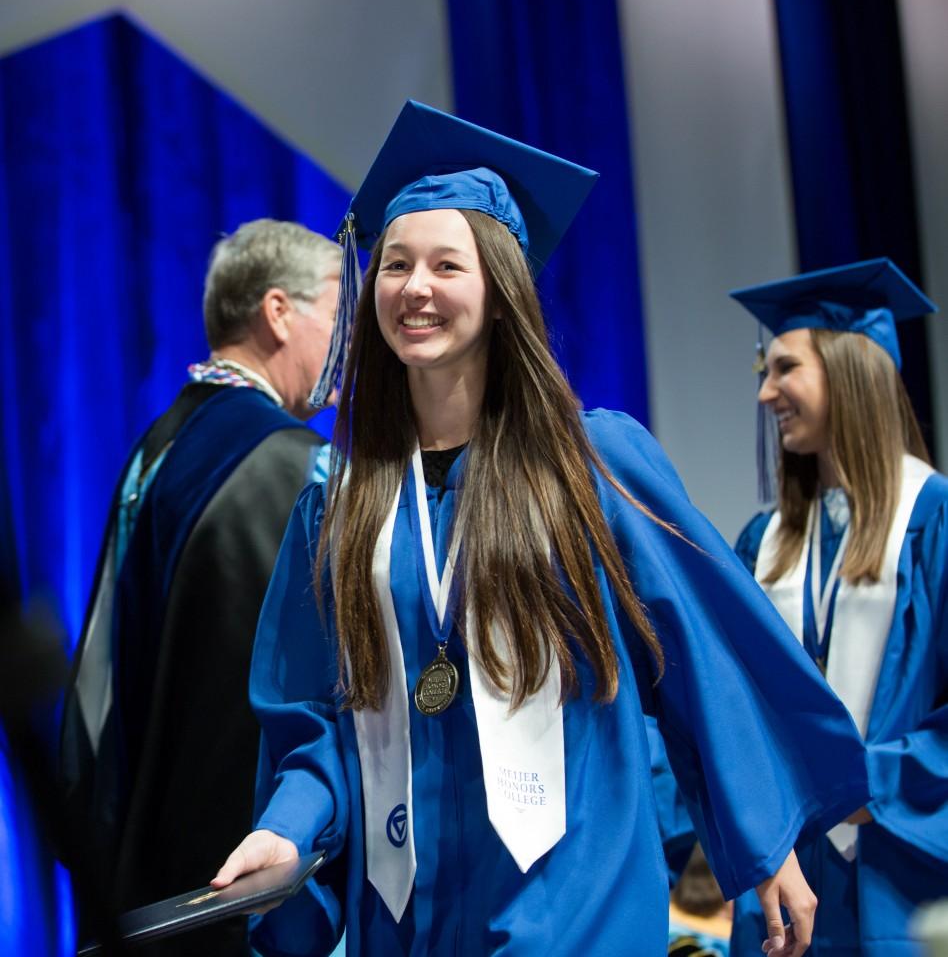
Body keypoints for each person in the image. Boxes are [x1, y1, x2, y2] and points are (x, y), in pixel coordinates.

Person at [213, 102, 870, 957]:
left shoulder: (592, 465)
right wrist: (287, 834)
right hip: (410, 921)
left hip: (572, 908)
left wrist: (764, 837)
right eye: (396, 263)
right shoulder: (340, 504)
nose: (415, 287)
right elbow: (320, 721)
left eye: (447, 265)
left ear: (499, 289)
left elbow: (703, 654)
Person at [59, 219, 341, 955]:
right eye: (342, 313)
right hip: (248, 879)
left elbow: (96, 690)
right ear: (279, 312)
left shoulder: (154, 450)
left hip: (147, 876)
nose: (352, 344)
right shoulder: (300, 468)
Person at [728, 259, 947, 956]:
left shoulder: (934, 520)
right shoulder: (764, 543)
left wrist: (869, 783)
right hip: (783, 881)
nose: (766, 394)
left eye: (785, 368)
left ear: (850, 372)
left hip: (903, 869)